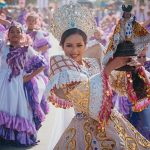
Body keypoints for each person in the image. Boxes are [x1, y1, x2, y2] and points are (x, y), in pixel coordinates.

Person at [47, 27, 150, 150]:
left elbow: (117, 83)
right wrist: (107, 70)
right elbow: (80, 95)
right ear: (62, 46)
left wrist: (128, 66)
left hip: (113, 122)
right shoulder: (61, 69)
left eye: (79, 45)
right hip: (84, 128)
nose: (74, 50)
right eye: (69, 45)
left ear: (85, 45)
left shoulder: (93, 62)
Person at [0, 22, 46, 146]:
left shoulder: (27, 49)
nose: (15, 34)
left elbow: (42, 65)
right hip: (2, 82)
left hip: (17, 84)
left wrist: (29, 77)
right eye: (12, 31)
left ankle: (14, 135)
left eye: (18, 31)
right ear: (7, 34)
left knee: (16, 108)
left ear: (22, 35)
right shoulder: (3, 46)